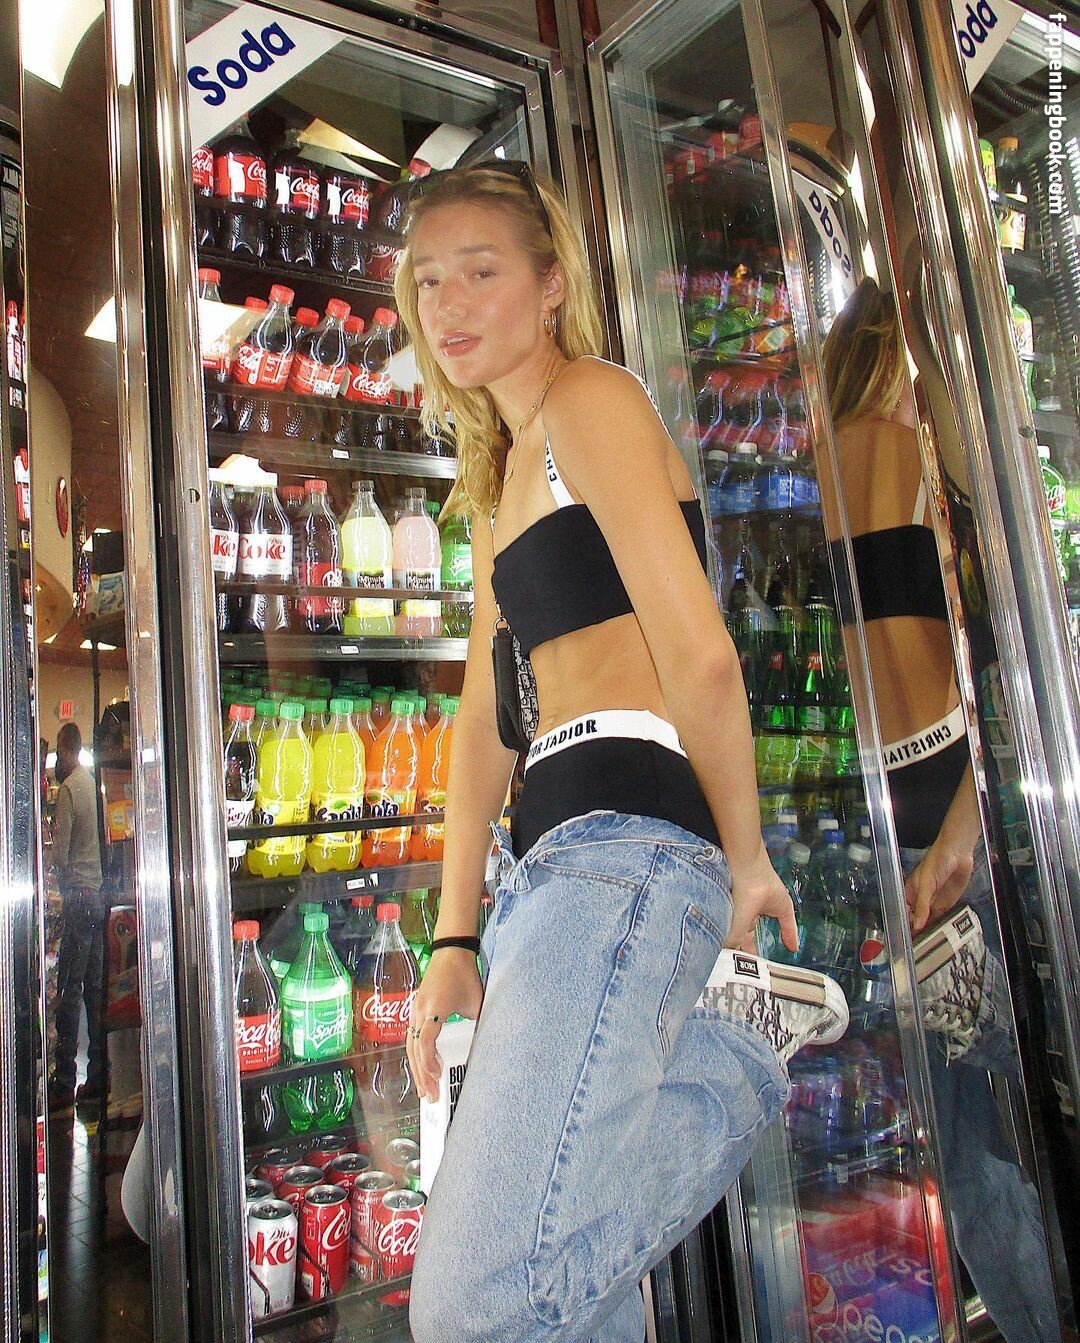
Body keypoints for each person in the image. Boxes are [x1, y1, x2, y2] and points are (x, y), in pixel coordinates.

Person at [393, 161, 848, 1343]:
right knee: (575, 1304)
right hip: (550, 870)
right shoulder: (499, 469)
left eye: (481, 270)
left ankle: (741, 1057)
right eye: (429, 280)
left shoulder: (591, 399)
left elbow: (701, 653)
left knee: (473, 1302)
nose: (449, 303)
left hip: (626, 847)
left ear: (552, 284)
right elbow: (483, 722)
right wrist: (453, 936)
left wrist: (746, 860)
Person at [822, 278, 1061, 1343]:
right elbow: (1002, 647)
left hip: (886, 800)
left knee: (964, 1133)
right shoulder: (921, 450)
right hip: (963, 782)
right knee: (1025, 1086)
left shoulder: (824, 464)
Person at [48, 721, 106, 1116]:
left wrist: (59, 877)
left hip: (78, 897)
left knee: (69, 990)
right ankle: (99, 1075)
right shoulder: (95, 787)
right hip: (98, 896)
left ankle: (65, 1080)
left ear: (67, 749)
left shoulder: (69, 789)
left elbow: (61, 852)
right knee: (95, 991)